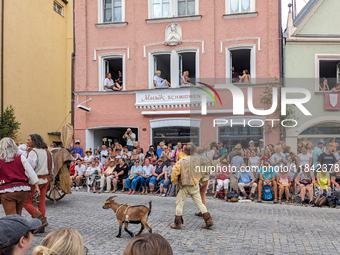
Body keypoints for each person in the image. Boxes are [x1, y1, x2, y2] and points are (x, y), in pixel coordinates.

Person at [170, 143, 214, 229]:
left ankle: (177, 223)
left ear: (185, 150)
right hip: (194, 185)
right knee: (200, 203)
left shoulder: (181, 161)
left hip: (184, 185)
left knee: (179, 204)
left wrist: (174, 181)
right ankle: (208, 220)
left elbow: (175, 172)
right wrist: (199, 180)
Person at [0, 138, 40, 216]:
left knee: (11, 216)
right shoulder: (21, 157)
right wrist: (36, 186)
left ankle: (16, 227)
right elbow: (30, 172)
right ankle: (21, 227)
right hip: (23, 189)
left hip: (6, 191)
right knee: (18, 214)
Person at [24, 134, 53, 234]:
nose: (27, 141)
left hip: (35, 181)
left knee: (26, 203)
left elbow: (29, 167)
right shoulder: (47, 151)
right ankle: (41, 226)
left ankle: (41, 221)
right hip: (45, 180)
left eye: (29, 140)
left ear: (34, 141)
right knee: (40, 203)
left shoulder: (33, 152)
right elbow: (51, 167)